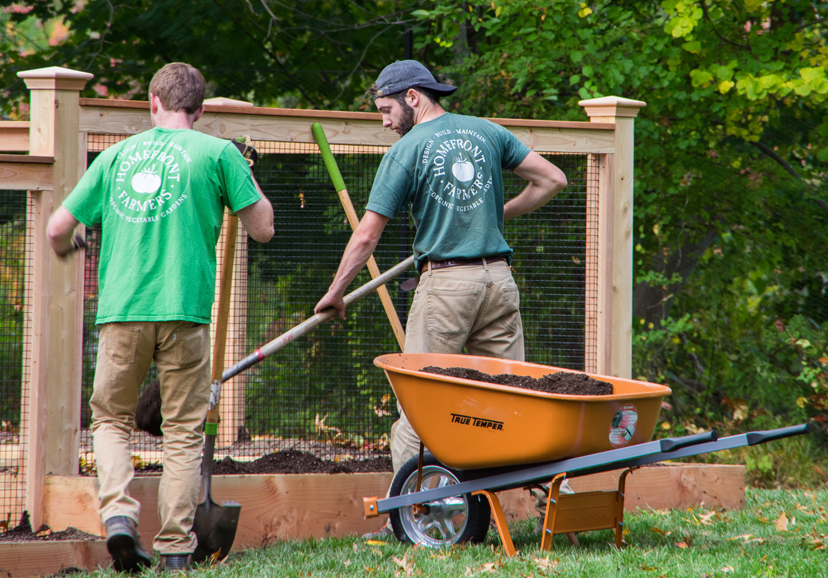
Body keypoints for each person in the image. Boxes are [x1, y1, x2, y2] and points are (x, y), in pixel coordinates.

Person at [313, 59, 568, 534]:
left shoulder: (407, 150)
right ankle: (560, 509)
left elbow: (367, 235)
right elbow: (554, 179)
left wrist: (334, 293)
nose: (384, 121)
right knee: (515, 403)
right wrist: (494, 218)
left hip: (447, 286)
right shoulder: (488, 131)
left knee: (420, 409)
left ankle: (413, 519)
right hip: (499, 282)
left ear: (413, 97)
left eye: (387, 110)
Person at [46, 62, 274, 572]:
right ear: (200, 110)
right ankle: (175, 549)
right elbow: (263, 228)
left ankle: (120, 520)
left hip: (122, 311)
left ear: (153, 102)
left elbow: (58, 228)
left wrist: (72, 244)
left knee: (110, 420)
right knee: (184, 430)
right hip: (185, 311)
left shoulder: (114, 156)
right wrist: (245, 173)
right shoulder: (218, 153)